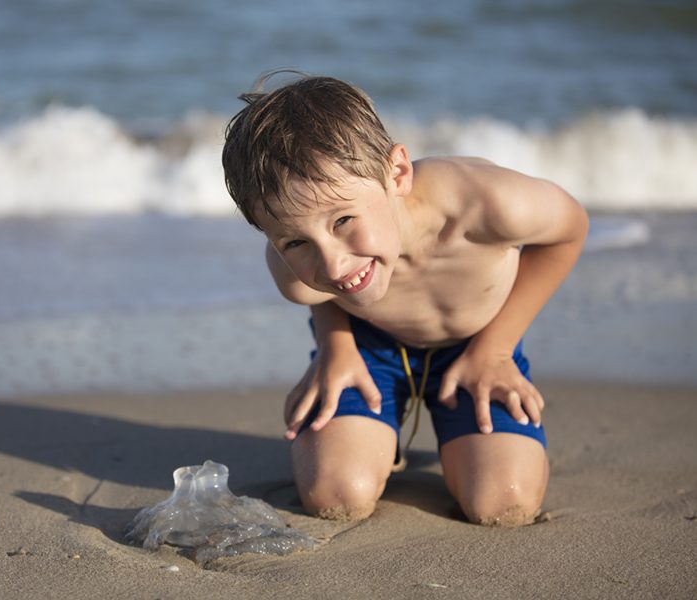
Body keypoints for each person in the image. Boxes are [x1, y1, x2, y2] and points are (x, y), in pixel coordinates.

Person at [221, 73, 589, 526]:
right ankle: (377, 438)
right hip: (371, 345)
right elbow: (319, 291)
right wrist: (337, 348)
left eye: (343, 221)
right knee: (336, 496)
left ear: (397, 173)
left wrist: (495, 349)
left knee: (504, 504)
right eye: (295, 243)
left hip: (479, 345)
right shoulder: (297, 277)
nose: (333, 267)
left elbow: (570, 230)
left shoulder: (485, 204)